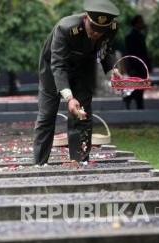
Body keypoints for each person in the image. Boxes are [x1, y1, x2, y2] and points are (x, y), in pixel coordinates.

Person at [33, 0, 122, 165]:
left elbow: (104, 50)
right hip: (54, 70)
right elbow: (58, 65)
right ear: (86, 18)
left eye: (101, 31)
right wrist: (68, 97)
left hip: (83, 68)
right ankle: (40, 162)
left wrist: (112, 71)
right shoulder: (65, 29)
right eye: (94, 29)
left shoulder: (112, 28)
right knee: (47, 115)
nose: (96, 34)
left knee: (82, 115)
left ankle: (80, 160)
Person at [123, 15, 152, 110]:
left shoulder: (140, 36)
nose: (143, 23)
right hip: (136, 66)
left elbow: (144, 53)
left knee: (141, 86)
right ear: (136, 23)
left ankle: (135, 102)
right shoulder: (131, 37)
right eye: (141, 21)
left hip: (141, 65)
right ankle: (134, 101)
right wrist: (130, 67)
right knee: (140, 86)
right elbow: (130, 54)